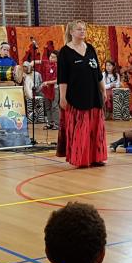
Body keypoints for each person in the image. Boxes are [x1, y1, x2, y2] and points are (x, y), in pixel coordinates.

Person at [58, 20, 107, 168]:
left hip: (93, 94)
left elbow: (98, 73)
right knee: (80, 128)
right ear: (71, 32)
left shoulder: (91, 48)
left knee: (95, 127)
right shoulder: (65, 52)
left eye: (84, 29)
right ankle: (80, 158)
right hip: (76, 96)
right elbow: (63, 78)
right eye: (79, 29)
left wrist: (103, 90)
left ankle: (96, 157)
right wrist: (62, 96)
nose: (82, 32)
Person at [41, 51, 59, 129]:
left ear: (57, 59)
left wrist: (48, 82)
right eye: (50, 56)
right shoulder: (47, 64)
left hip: (55, 89)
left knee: (54, 106)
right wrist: (32, 62)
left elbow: (58, 80)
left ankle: (57, 124)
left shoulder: (59, 67)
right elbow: (39, 62)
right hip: (47, 89)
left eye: (53, 57)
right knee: (47, 106)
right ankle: (50, 123)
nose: (50, 58)